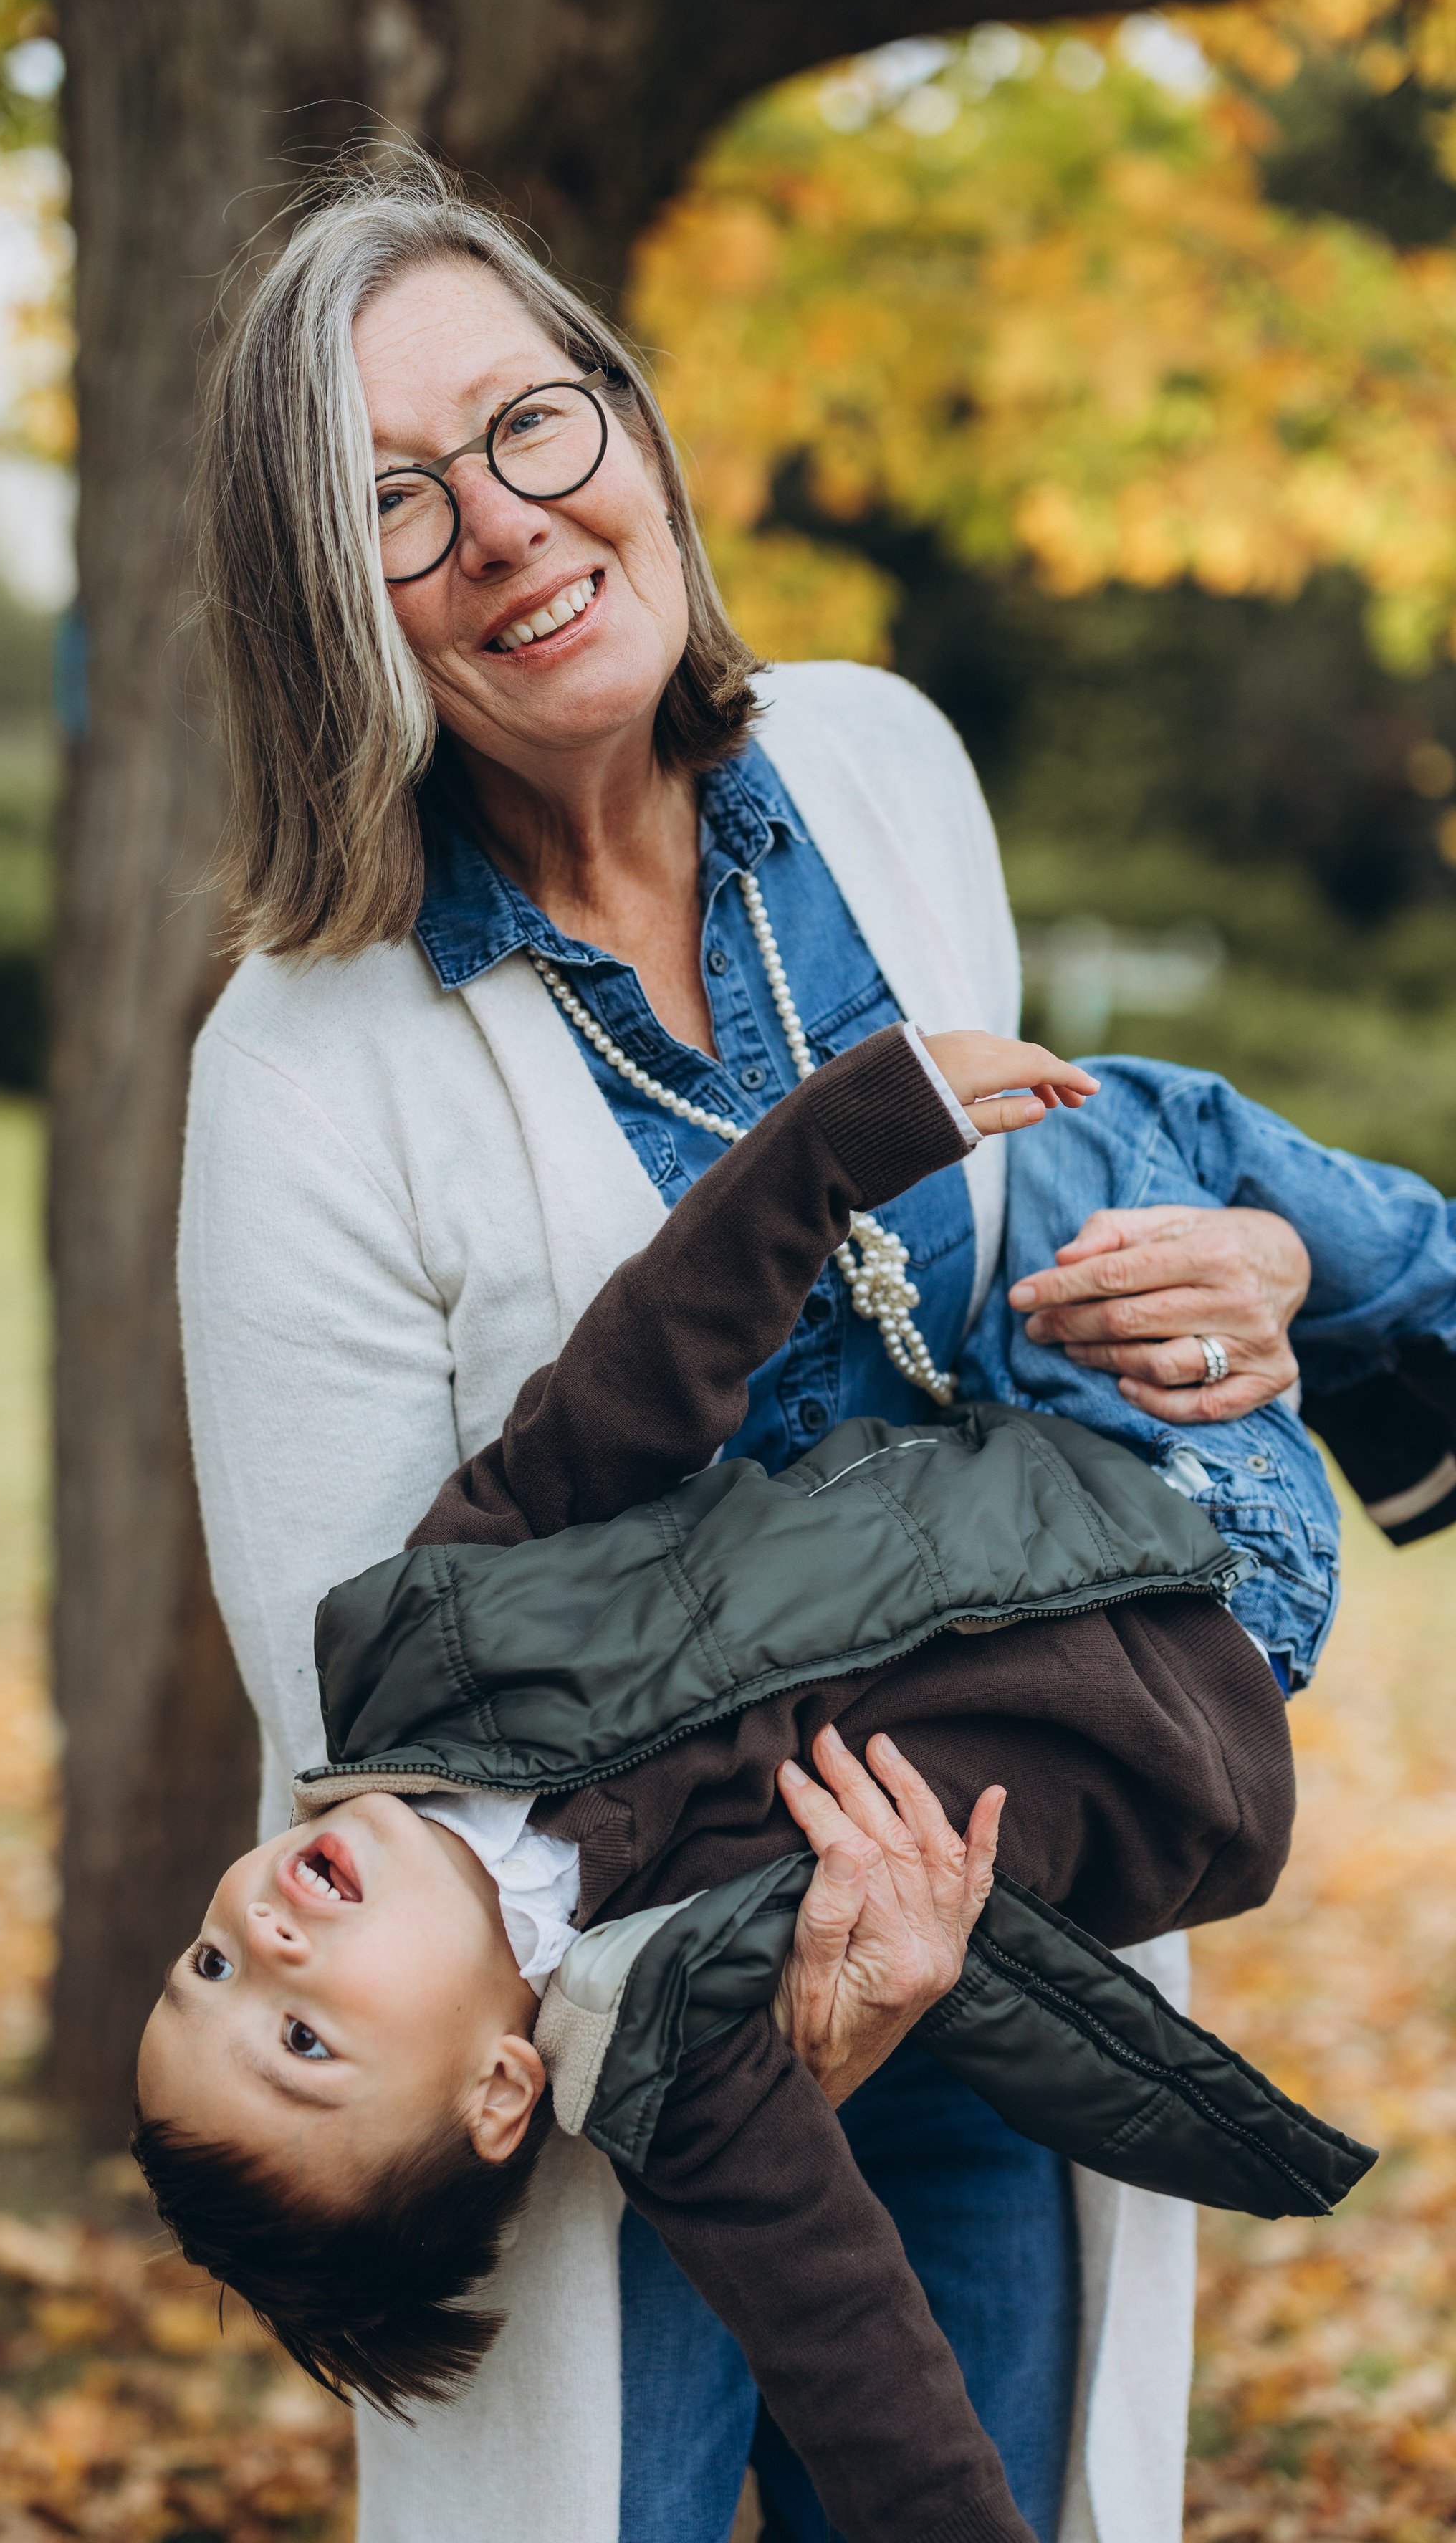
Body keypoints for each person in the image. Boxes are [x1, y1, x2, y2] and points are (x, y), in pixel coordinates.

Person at [174, 154, 1452, 2543]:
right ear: (322, 603)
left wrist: (1249, 1284)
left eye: (534, 426)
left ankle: (1391, 1316)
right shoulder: (304, 1062)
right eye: (392, 503)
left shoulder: (879, 765)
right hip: (657, 2045)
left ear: (632, 429)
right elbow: (365, 1701)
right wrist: (769, 2010)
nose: (504, 528)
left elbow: (1024, 1237)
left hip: (1015, 1904)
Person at [141, 1015, 1408, 2543]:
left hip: (1025, 1460)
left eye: (201, 1968)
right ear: (496, 2090)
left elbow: (627, 1390)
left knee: (1079, 1165)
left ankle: (1419, 1374)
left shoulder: (422, 1648)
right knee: (1121, 1137)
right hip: (1194, 1602)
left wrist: (833, 1141)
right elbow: (850, 2352)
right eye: (299, 2038)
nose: (259, 1948)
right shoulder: (682, 2066)